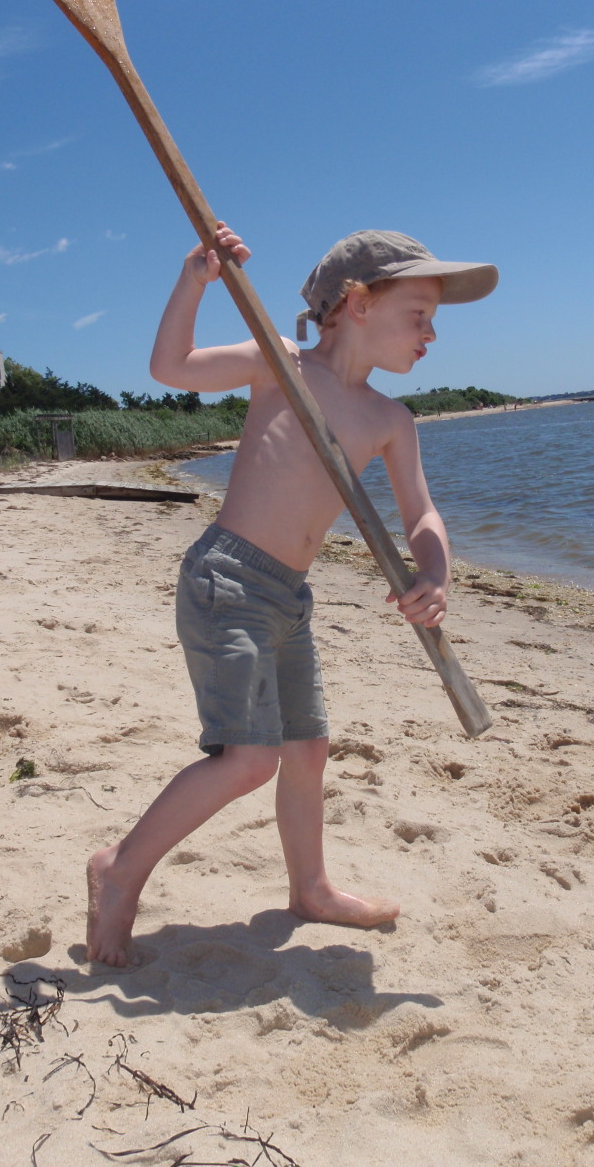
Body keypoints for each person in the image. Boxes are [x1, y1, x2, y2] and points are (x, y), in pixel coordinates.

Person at [86, 224, 498, 966]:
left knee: (307, 748)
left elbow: (421, 516)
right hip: (227, 579)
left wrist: (433, 574)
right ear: (358, 303)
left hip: (289, 595)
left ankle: (309, 887)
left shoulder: (389, 419)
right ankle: (119, 868)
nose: (432, 333)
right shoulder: (280, 361)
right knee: (248, 758)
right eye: (420, 314)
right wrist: (195, 280)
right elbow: (169, 365)